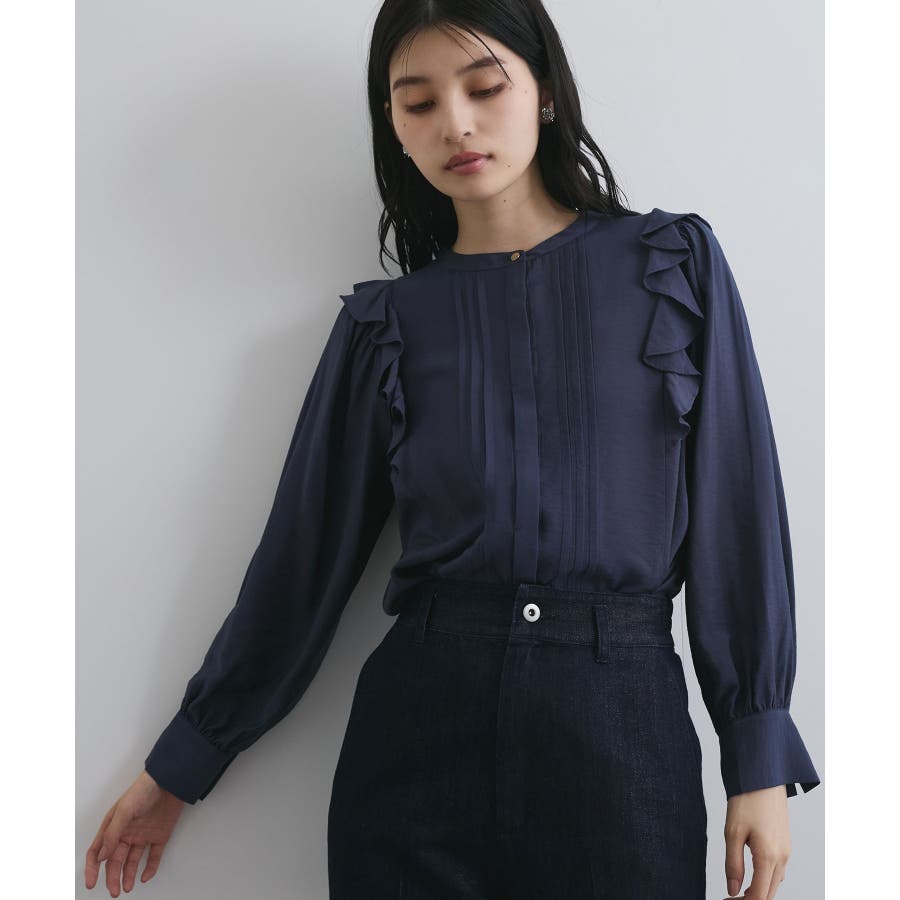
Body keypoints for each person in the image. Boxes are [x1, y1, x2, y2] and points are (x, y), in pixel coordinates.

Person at [84, 2, 821, 898]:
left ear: (543, 90)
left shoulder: (671, 266)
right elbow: (300, 567)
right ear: (392, 125)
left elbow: (739, 510)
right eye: (420, 102)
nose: (457, 124)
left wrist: (755, 753)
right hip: (415, 756)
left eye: (484, 87)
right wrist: (182, 765)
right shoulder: (386, 327)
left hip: (620, 746)